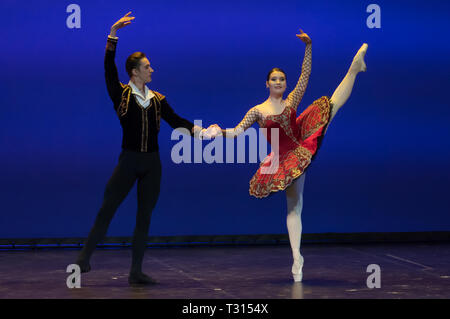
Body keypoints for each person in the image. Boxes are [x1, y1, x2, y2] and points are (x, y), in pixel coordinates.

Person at [205, 29, 368, 282]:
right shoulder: (257, 111)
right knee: (294, 207)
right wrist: (219, 131)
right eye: (274, 79)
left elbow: (305, 75)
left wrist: (308, 47)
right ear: (267, 84)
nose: (279, 82)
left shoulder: (291, 101)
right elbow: (237, 132)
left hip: (300, 144)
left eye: (282, 79)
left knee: (332, 107)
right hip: (281, 160)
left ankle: (354, 68)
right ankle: (297, 257)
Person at [75, 12, 207, 286]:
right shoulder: (121, 94)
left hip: (152, 164)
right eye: (147, 67)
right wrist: (112, 33)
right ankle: (83, 259)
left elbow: (177, 121)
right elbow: (109, 68)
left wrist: (201, 132)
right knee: (107, 209)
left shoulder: (158, 99)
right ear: (134, 72)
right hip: (129, 161)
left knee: (143, 217)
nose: (152, 69)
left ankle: (136, 271)